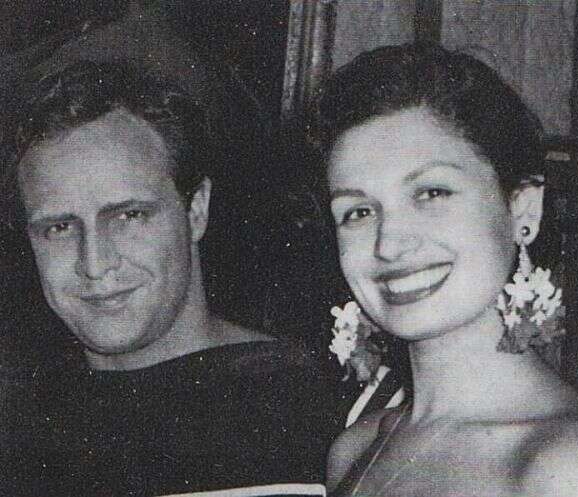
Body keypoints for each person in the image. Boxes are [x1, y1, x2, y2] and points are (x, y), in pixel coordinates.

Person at [1, 60, 403, 497]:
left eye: (129, 216)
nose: (95, 264)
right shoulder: (18, 423)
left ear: (196, 210)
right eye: (59, 228)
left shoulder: (331, 408)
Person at [309, 42, 578, 497]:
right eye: (358, 212)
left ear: (522, 208)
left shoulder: (568, 468)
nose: (389, 244)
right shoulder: (354, 448)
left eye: (432, 193)